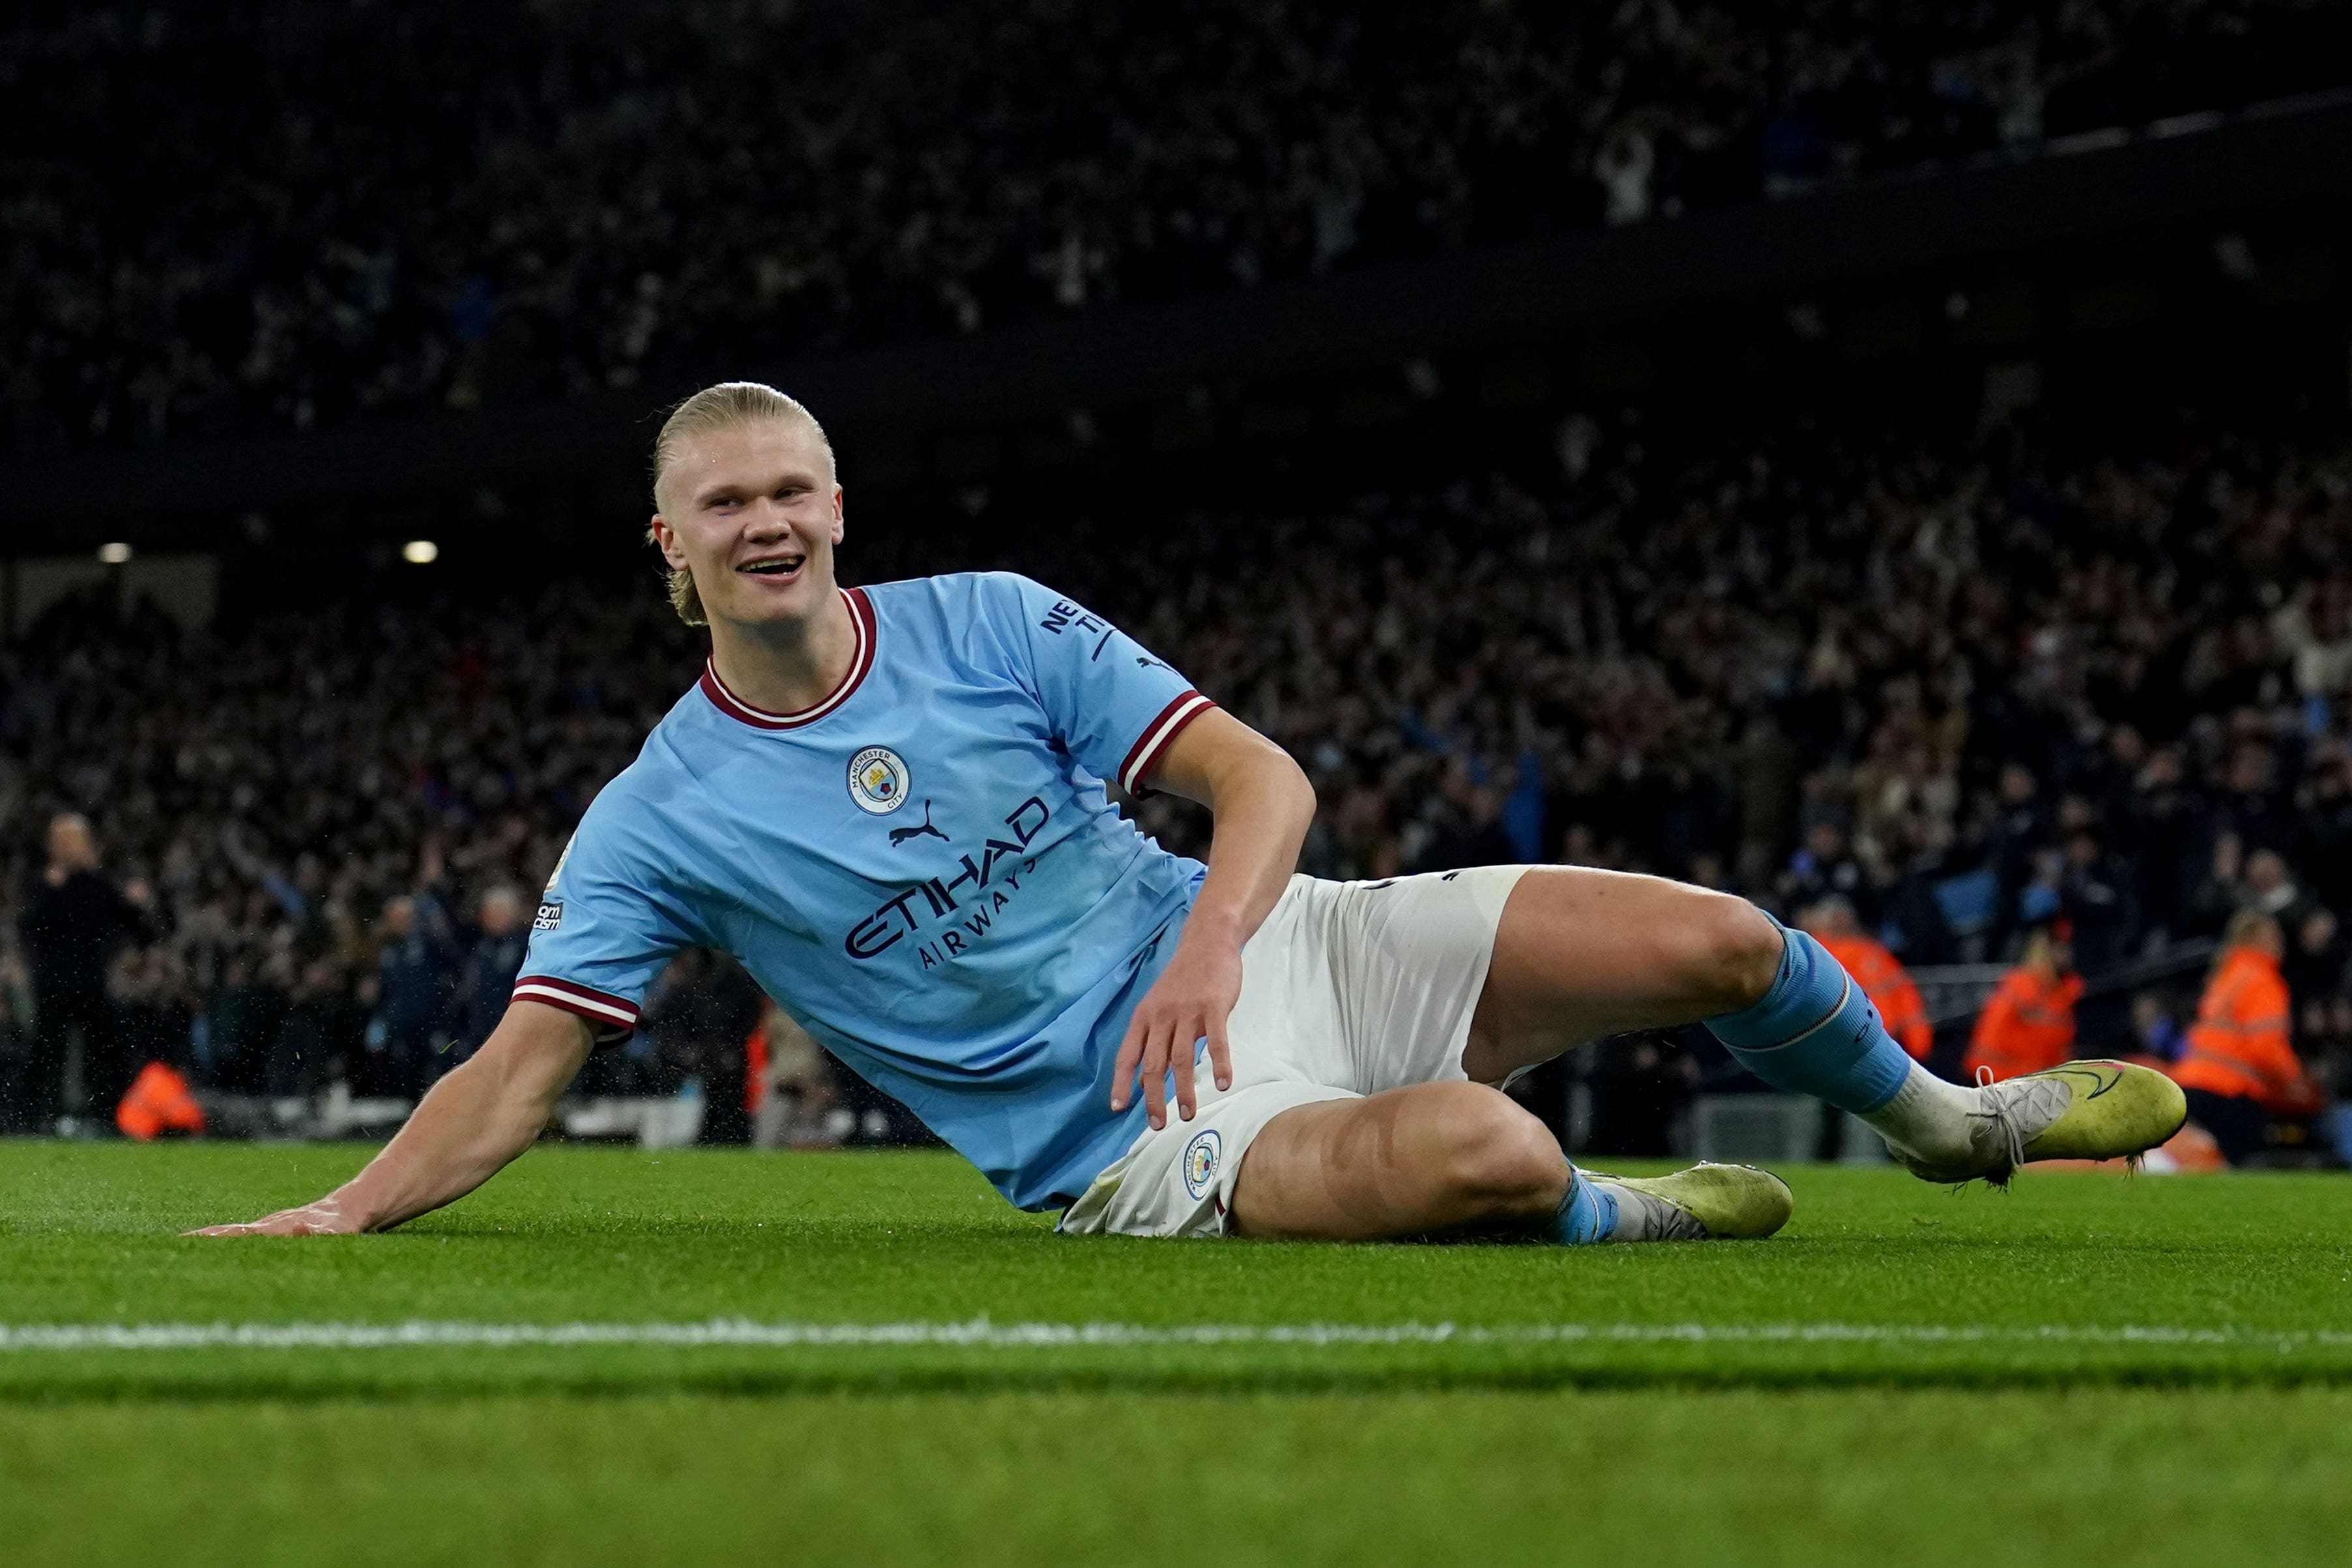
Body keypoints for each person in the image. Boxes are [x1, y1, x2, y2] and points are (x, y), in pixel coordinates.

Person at [194, 382, 2186, 1245]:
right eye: (728, 502)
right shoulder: (662, 813)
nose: (771, 518)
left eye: (793, 485)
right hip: (1138, 1134)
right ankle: (1627, 1218)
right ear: (672, 544)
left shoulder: (986, 619)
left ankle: (1956, 1124)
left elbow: (1259, 778)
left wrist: (1223, 936)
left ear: (834, 503)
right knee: (1489, 1155)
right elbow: (529, 1058)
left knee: (1723, 940)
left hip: (1279, 949)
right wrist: (352, 1203)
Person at [13, 813, 152, 1131]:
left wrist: (137, 904)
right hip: (51, 983)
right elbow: (28, 927)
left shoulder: (98, 886)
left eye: (72, 841)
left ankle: (107, 1117)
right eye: (60, 841)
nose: (66, 847)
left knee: (104, 1053)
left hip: (91, 981)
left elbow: (134, 927)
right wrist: (51, 889)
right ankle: (37, 1121)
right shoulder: (42, 885)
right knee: (46, 1055)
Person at [2170, 910, 2324, 1163]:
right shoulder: (2263, 981)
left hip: (2193, 1084)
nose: (2281, 944)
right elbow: (2268, 1049)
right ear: (2259, 939)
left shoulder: (2226, 976)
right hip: (2230, 1093)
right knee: (2247, 1166)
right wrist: (2298, 1082)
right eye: (2275, 937)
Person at [1799, 897, 1932, 1060]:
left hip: (1892, 1044)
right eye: (1836, 918)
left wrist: (1919, 1042)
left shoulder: (1872, 952)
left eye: (1844, 917)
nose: (1842, 922)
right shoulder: (1815, 957)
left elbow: (1906, 996)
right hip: (1850, 1050)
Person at [1964, 925, 2083, 1084]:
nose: (2066, 955)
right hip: (1999, 1081)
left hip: (2034, 1084)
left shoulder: (2065, 995)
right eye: (2060, 949)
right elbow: (1989, 1038)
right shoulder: (2020, 987)